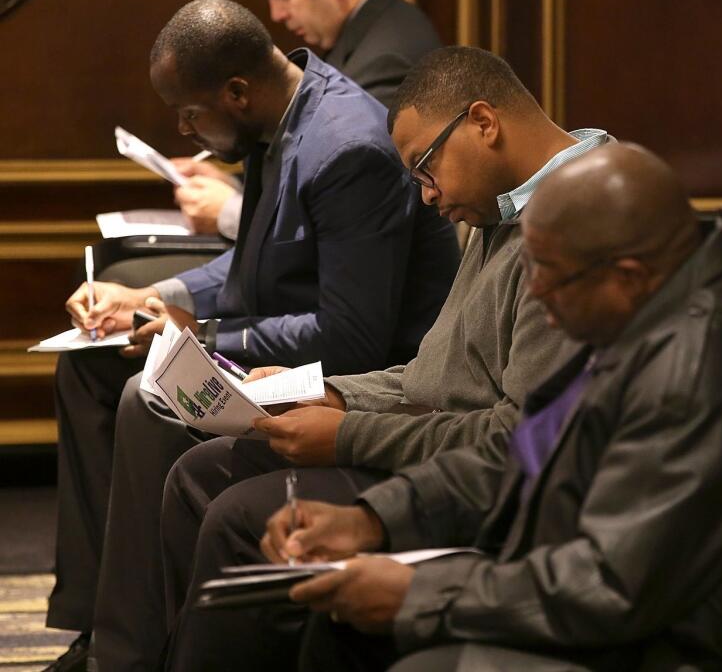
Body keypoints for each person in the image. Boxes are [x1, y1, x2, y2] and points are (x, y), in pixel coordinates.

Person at [233, 143, 722, 671]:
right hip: (646, 607)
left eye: (550, 275)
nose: (535, 295)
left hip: (712, 646)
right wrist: (374, 519)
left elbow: (611, 587)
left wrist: (420, 591)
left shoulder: (705, 367)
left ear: (628, 275)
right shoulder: (649, 319)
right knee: (346, 623)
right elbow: (523, 452)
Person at [107, 45, 609, 671]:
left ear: (484, 123)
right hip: (435, 443)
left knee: (240, 515)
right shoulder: (501, 207)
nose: (425, 197)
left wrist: (350, 435)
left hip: (493, 492)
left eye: (426, 169)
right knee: (201, 472)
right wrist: (327, 393)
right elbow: (433, 376)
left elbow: (523, 440)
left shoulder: (579, 220)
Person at [45, 0, 459, 672]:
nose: (184, 129)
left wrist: (202, 334)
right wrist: (152, 298)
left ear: (236, 93)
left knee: (143, 400)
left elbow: (352, 336)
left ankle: (128, 657)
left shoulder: (348, 148)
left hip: (357, 381)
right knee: (91, 368)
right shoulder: (277, 118)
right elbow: (252, 267)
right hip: (286, 352)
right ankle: (98, 620)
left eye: (189, 113)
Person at [168, 0, 442, 240]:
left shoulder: (387, 59)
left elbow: (349, 201)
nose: (276, 14)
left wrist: (229, 213)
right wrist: (237, 183)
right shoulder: (364, 35)